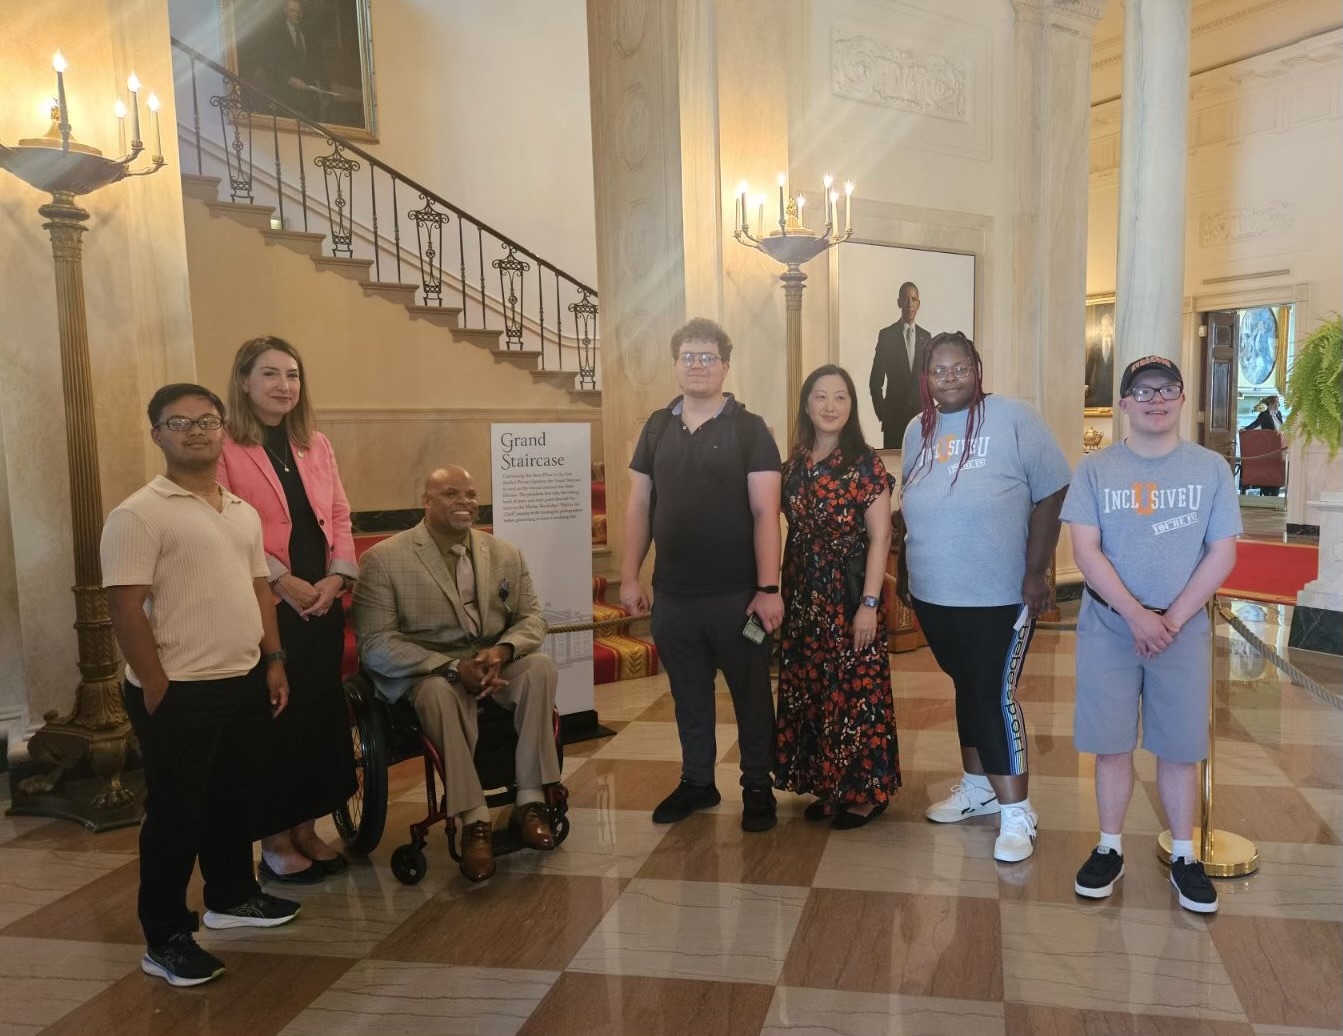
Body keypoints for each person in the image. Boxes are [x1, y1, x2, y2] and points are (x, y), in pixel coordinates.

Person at [102, 383, 301, 988]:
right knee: (175, 815)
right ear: (157, 433)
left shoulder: (239, 510)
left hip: (242, 678)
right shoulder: (140, 512)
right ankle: (165, 937)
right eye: (178, 421)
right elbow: (125, 607)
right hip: (179, 689)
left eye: (206, 420)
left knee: (231, 799)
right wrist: (158, 686)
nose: (195, 430)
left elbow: (259, 589)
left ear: (222, 429)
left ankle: (232, 896)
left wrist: (273, 660)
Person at [1064, 355, 1240, 914]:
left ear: (1183, 398)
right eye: (1143, 391)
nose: (1155, 399)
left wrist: (1173, 618)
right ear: (1123, 405)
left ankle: (1184, 854)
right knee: (1111, 743)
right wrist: (1137, 616)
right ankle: (1109, 846)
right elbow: (1084, 550)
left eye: (1167, 389)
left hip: (1181, 627)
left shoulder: (1210, 469)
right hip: (1110, 624)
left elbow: (1222, 552)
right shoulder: (1095, 470)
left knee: (1178, 745)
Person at [898, 331, 1069, 863]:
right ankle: (978, 790)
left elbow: (1052, 492)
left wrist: (1037, 572)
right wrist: (906, 570)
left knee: (994, 693)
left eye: (959, 367)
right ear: (927, 377)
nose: (949, 376)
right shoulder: (914, 429)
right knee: (967, 688)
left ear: (977, 368)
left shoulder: (1016, 418)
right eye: (938, 369)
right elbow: (911, 500)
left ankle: (1017, 811)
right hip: (934, 592)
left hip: (998, 593)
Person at [354, 465, 560, 882]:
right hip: (430, 668)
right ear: (426, 502)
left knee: (539, 668)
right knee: (438, 694)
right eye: (450, 494)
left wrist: (502, 651)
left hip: (493, 661)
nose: (464, 502)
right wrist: (451, 668)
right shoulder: (384, 559)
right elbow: (375, 644)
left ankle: (532, 800)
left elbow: (532, 619)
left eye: (470, 494)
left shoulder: (505, 553)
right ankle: (474, 818)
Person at [621, 317, 784, 832]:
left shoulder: (749, 428)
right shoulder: (655, 426)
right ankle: (698, 781)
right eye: (688, 356)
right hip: (673, 594)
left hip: (738, 596)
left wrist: (768, 589)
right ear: (675, 365)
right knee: (689, 697)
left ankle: (758, 784)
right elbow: (638, 506)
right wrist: (630, 576)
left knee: (752, 696)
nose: (696, 365)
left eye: (706, 357)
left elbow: (766, 514)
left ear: (725, 366)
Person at [217, 336, 357, 884]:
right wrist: (284, 582)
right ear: (244, 381)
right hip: (267, 601)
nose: (284, 386)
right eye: (271, 374)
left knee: (316, 719)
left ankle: (307, 826)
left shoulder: (315, 443)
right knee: (276, 717)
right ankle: (275, 837)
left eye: (293, 375)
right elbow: (227, 525)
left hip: (322, 599)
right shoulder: (226, 446)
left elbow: (341, 514)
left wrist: (338, 575)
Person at [775, 365, 900, 828]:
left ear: (852, 407)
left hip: (848, 592)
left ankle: (866, 791)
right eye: (821, 397)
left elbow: (881, 537)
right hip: (803, 591)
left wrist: (868, 605)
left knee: (854, 691)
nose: (830, 406)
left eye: (841, 397)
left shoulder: (865, 462)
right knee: (813, 688)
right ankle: (830, 785)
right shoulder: (793, 464)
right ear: (807, 404)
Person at [870, 281, 932, 449]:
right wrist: (883, 413)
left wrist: (930, 411)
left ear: (919, 304)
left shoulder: (926, 337)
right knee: (894, 466)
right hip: (894, 419)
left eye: (913, 299)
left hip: (921, 418)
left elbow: (930, 378)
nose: (909, 304)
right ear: (899, 302)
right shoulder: (887, 335)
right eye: (905, 299)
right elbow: (875, 381)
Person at [1084, 311, 1116, 409]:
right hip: (1098, 387)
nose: (1107, 328)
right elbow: (1089, 366)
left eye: (1109, 325)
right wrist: (1085, 383)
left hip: (1112, 387)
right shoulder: (1094, 345)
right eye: (1104, 325)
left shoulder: (1117, 344)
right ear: (1101, 327)